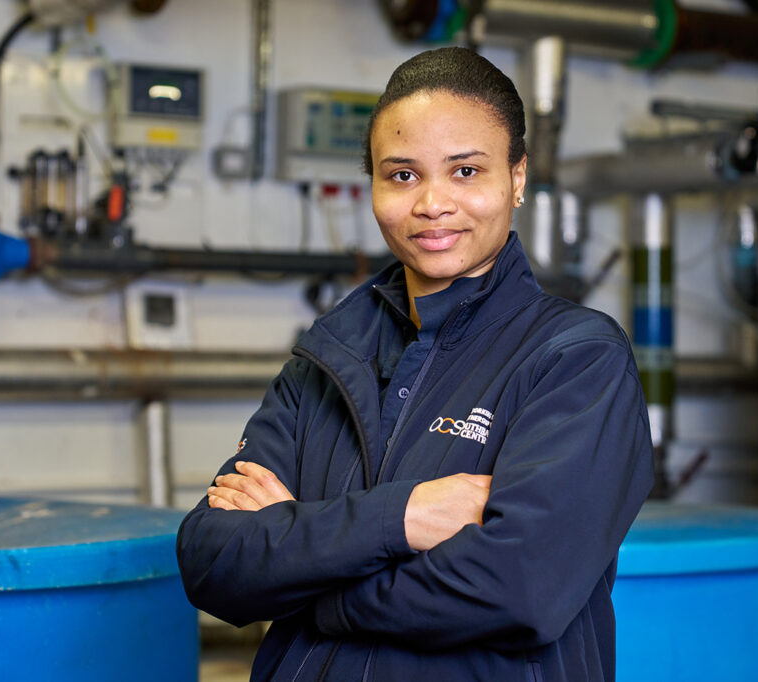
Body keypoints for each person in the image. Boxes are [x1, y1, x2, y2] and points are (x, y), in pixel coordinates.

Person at [177, 46, 653, 682]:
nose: (432, 203)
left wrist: (308, 579)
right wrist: (403, 517)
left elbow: (520, 589)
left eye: (466, 171)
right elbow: (213, 561)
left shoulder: (575, 359)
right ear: (373, 185)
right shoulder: (326, 359)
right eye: (402, 175)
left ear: (516, 179)